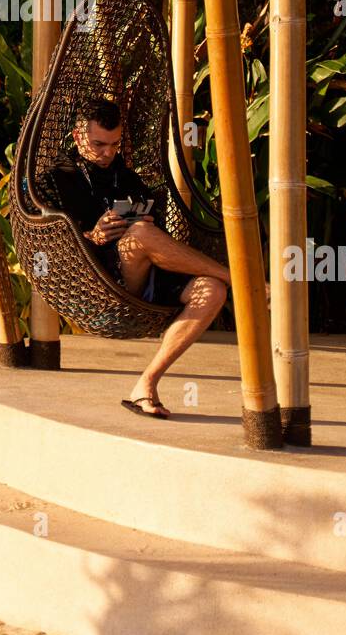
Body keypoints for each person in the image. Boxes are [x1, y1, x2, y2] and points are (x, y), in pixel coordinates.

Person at [43, 97, 231, 419]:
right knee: (140, 237)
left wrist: (144, 219)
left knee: (213, 290)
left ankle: (146, 384)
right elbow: (49, 241)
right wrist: (92, 235)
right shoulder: (57, 179)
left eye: (115, 144)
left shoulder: (125, 176)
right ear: (78, 137)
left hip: (151, 274)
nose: (108, 153)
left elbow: (152, 217)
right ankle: (238, 277)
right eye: (99, 144)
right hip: (102, 283)